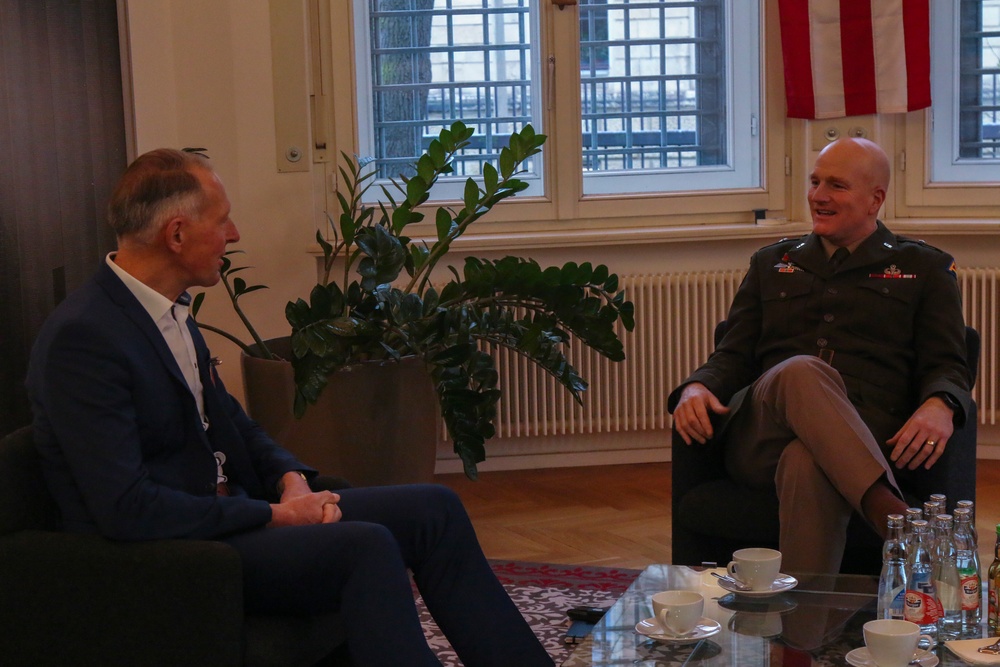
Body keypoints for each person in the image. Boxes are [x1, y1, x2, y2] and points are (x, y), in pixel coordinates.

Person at [26, 148, 553, 667]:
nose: (234, 235)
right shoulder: (84, 339)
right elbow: (127, 509)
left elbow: (229, 420)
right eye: (223, 220)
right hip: (180, 557)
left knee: (434, 512)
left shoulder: (169, 311)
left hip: (232, 517)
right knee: (364, 547)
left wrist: (289, 477)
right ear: (177, 234)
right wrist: (276, 516)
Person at [668, 137, 972, 574]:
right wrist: (696, 385)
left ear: (875, 199)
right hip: (759, 438)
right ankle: (892, 516)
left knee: (808, 462)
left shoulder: (924, 269)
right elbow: (732, 354)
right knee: (801, 371)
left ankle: (800, 638)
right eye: (814, 182)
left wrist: (941, 402)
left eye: (836, 185)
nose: (818, 196)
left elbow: (948, 363)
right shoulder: (771, 263)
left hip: (865, 439)